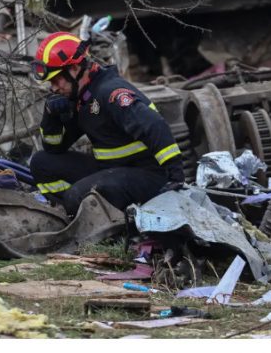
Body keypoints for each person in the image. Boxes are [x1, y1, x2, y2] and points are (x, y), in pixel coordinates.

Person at [29, 32, 185, 216]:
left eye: (56, 80)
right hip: (111, 170)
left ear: (75, 68)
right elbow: (54, 148)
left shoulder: (111, 92)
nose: (54, 87)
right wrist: (51, 116)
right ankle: (73, 214)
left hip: (147, 174)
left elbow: (154, 125)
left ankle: (114, 224)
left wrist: (175, 177)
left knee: (77, 196)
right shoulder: (83, 97)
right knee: (41, 163)